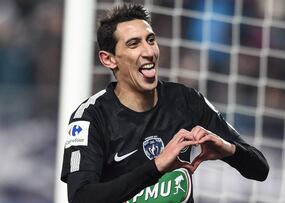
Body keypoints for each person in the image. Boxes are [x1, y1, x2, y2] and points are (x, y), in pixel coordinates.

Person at [60, 4, 269, 203]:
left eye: (150, 40)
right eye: (134, 44)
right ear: (109, 59)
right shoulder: (90, 117)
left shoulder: (186, 100)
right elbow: (81, 197)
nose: (149, 52)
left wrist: (228, 149)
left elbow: (260, 169)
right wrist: (157, 166)